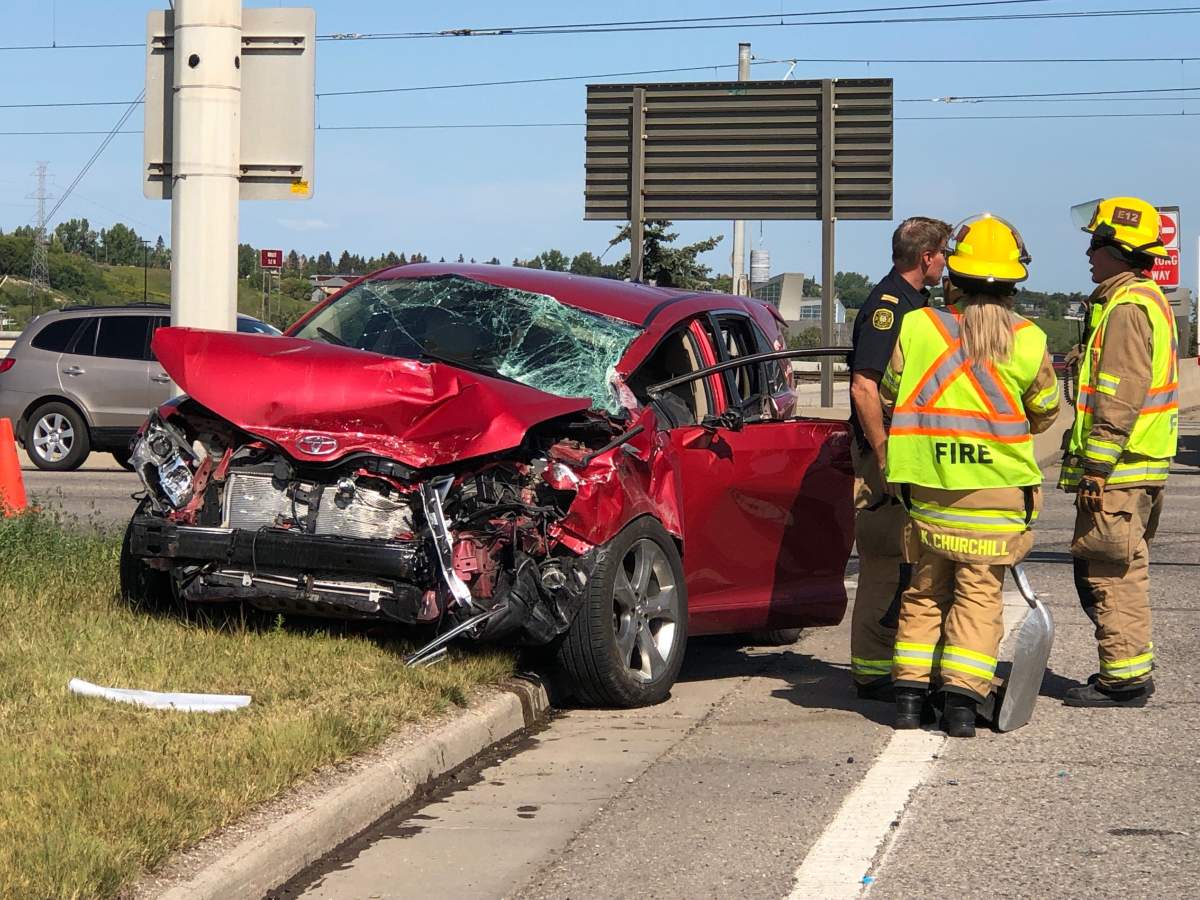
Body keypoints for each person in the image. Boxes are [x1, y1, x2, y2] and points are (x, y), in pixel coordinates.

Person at [880, 214, 1060, 737]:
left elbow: (892, 392)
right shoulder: (1029, 339)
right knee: (979, 595)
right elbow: (1046, 408)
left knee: (924, 590)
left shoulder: (918, 327)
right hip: (997, 494)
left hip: (928, 489)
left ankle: (909, 701)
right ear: (1011, 283)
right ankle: (961, 705)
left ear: (954, 275)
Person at [1059, 196, 1178, 708]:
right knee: (1125, 568)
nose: (1088, 253)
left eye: (1096, 244)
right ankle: (1132, 667)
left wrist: (1097, 465)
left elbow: (1119, 391)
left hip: (1121, 472)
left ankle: (1123, 678)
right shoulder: (1141, 300)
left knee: (1108, 573)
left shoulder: (1128, 309)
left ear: (1119, 251)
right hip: (1140, 468)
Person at [846, 216, 952, 701]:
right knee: (887, 560)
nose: (946, 264)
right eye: (943, 255)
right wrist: (885, 451)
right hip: (884, 454)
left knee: (910, 559)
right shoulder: (890, 307)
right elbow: (864, 385)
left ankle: (892, 663)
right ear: (926, 257)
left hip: (907, 451)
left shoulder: (918, 304)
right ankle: (872, 671)